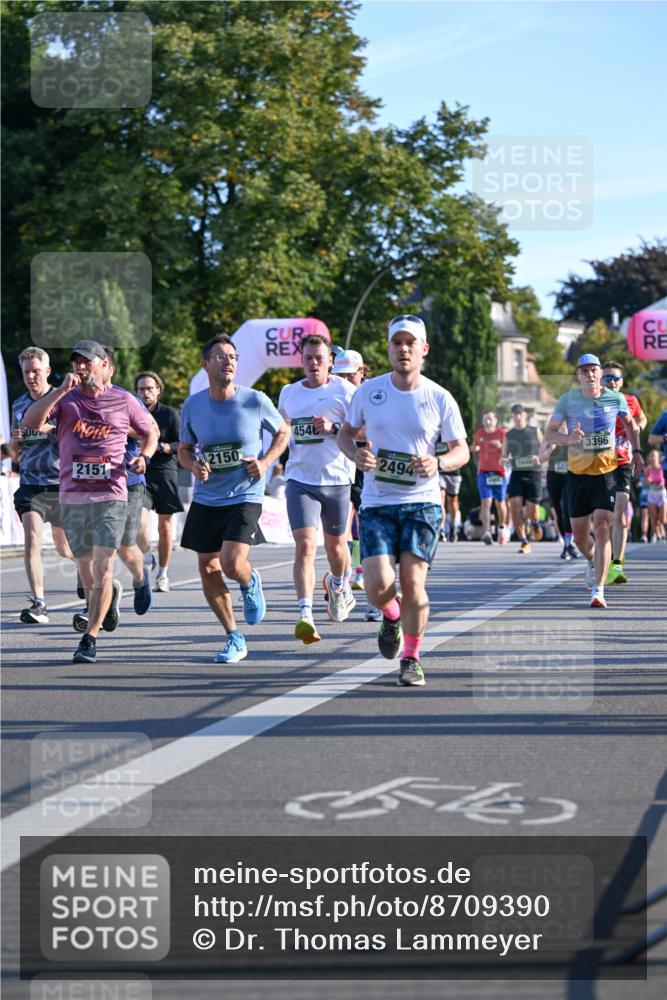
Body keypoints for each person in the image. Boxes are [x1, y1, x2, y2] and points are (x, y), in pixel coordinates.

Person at [337, 314, 469, 687]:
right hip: (378, 502)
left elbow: (462, 450)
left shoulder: (439, 397)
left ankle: (411, 657)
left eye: (411, 343)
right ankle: (391, 616)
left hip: (422, 503)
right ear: (389, 348)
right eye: (397, 343)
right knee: (378, 585)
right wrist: (355, 455)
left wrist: (439, 462)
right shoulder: (369, 391)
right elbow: (346, 434)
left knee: (413, 584)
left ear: (423, 349)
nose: (403, 349)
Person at [22, 339, 158, 662]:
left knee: (103, 565)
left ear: (106, 366)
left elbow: (150, 431)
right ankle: (102, 604)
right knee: (85, 568)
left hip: (111, 495)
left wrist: (146, 457)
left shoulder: (124, 400)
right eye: (76, 362)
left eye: (87, 362)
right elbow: (30, 422)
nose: (81, 368)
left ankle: (90, 637)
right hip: (73, 496)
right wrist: (58, 391)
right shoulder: (65, 399)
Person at [178, 334, 290, 663]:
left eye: (233, 356)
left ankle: (248, 578)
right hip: (207, 497)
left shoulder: (255, 400)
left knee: (230, 563)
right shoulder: (193, 405)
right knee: (208, 568)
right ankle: (233, 636)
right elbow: (184, 450)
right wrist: (194, 466)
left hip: (246, 493)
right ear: (205, 364)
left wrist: (266, 462)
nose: (229, 361)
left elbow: (283, 432)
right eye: (221, 356)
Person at [544, 354, 642, 609]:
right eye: (584, 370)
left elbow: (630, 424)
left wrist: (637, 451)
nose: (589, 374)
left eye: (593, 370)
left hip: (607, 472)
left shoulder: (616, 398)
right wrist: (569, 439)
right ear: (578, 375)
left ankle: (598, 590)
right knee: (579, 538)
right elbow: (550, 432)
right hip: (577, 475)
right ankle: (592, 559)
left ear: (600, 374)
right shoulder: (567, 400)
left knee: (602, 526)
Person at [278, 335, 356, 644]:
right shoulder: (288, 393)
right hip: (300, 479)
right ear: (302, 360)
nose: (313, 364)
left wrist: (333, 428)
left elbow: (362, 430)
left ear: (330, 362)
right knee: (306, 546)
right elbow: (283, 430)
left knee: (336, 547)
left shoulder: (346, 391)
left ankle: (338, 585)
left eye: (319, 359)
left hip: (337, 479)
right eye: (308, 358)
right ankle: (305, 614)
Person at [10, 347, 76, 623]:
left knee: (65, 549)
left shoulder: (64, 401)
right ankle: (39, 602)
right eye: (26, 372)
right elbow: (16, 451)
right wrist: (16, 441)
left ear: (47, 371)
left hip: (60, 483)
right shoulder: (18, 405)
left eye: (36, 370)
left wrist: (43, 428)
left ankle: (95, 578)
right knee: (32, 539)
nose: (31, 376)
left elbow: (74, 436)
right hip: (31, 484)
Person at [332, 348, 382, 621]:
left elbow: (370, 430)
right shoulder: (336, 395)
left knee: (370, 528)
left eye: (350, 375)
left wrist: (334, 428)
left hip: (371, 468)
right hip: (341, 469)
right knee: (343, 531)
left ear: (362, 372)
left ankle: (375, 595)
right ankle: (348, 580)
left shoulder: (372, 396)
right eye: (340, 375)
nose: (345, 380)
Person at [133, 370, 184, 592]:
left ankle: (163, 574)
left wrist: (164, 447)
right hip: (140, 473)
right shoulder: (131, 412)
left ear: (158, 390)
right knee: (137, 523)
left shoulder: (169, 414)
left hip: (164, 472)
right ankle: (147, 555)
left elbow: (182, 444)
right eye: (141, 389)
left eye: (149, 388)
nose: (145, 392)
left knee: (165, 527)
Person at [601, 361, 647, 584]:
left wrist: (638, 425)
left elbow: (642, 418)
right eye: (607, 377)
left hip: (623, 460)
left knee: (620, 512)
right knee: (602, 516)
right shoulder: (594, 400)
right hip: (598, 462)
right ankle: (603, 555)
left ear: (621, 381)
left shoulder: (631, 400)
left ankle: (616, 564)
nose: (611, 381)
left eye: (615, 378)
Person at [506, 403, 543, 554]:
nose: (517, 416)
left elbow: (545, 449)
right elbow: (503, 455)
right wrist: (503, 460)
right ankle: (524, 541)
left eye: (520, 413)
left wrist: (538, 458)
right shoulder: (509, 435)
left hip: (533, 474)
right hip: (517, 473)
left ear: (525, 415)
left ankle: (534, 523)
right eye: (515, 414)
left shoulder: (535, 431)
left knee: (532, 510)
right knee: (514, 505)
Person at [472, 410, 508, 545]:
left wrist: (501, 447)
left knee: (500, 504)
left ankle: (502, 527)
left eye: (490, 419)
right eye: (485, 419)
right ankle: (487, 531)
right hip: (484, 472)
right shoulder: (479, 433)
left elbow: (509, 450)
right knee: (486, 503)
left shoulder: (502, 433)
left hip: (499, 473)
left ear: (496, 421)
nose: (488, 422)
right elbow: (475, 446)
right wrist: (473, 448)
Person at [538, 438, 577, 559]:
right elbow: (540, 458)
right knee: (558, 511)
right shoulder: (549, 435)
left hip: (569, 476)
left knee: (566, 509)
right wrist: (550, 449)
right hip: (553, 476)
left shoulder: (574, 431)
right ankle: (567, 545)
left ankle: (569, 543)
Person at [437, 439, 462, 542]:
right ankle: (441, 529)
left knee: (453, 501)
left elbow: (461, 453)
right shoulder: (433, 434)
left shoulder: (452, 435)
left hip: (453, 472)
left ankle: (453, 526)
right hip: (439, 472)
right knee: (440, 498)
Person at [645, 449, 666, 542]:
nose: (653, 457)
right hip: (652, 493)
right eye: (651, 456)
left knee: (662, 517)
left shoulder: (662, 468)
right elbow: (645, 482)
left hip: (661, 493)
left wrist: (662, 482)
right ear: (649, 458)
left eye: (655, 456)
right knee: (653, 516)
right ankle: (656, 534)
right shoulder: (648, 469)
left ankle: (661, 532)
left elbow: (664, 479)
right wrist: (648, 480)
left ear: (658, 457)